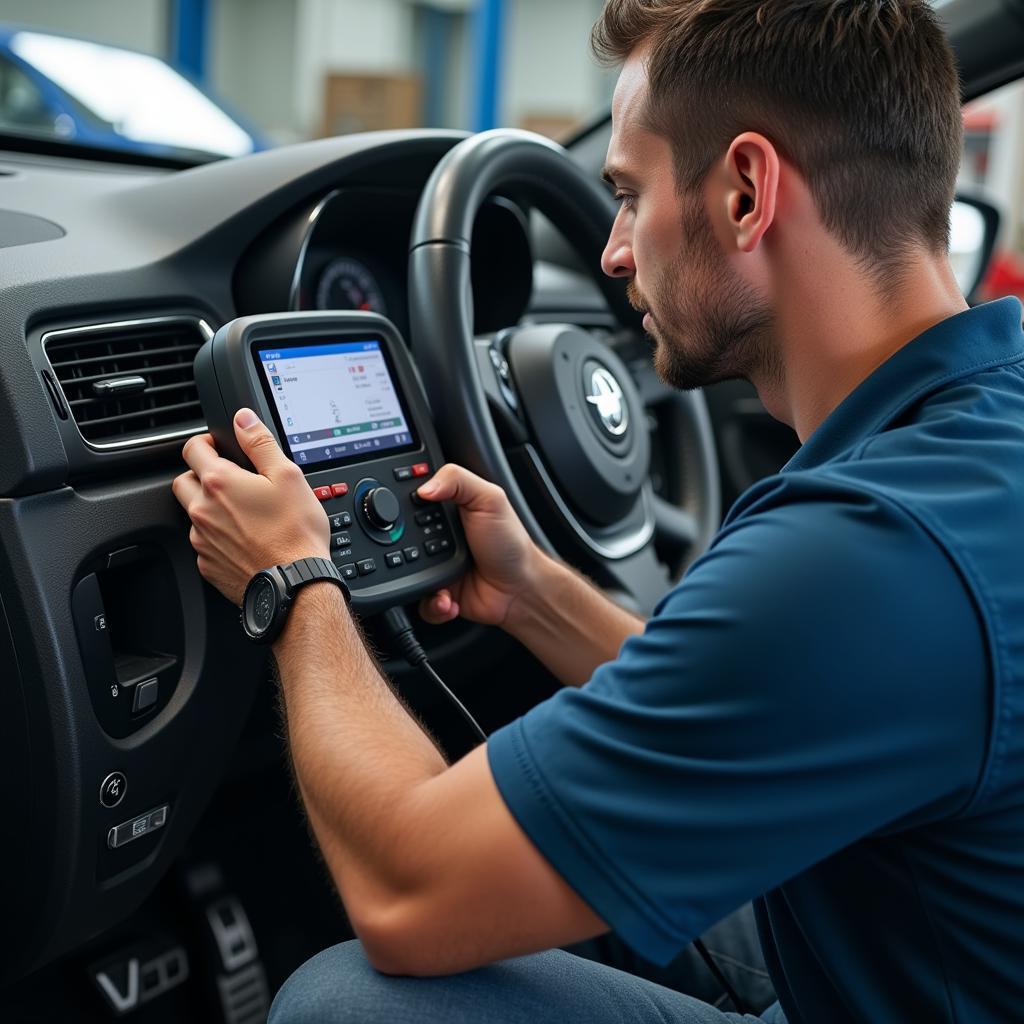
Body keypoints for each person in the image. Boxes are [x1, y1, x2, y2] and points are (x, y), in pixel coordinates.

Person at [173, 1, 1024, 1021]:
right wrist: (533, 592)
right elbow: (755, 696)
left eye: (627, 193)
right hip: (901, 951)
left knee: (345, 997)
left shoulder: (866, 556)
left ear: (747, 192)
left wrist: (295, 581)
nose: (614, 251)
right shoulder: (974, 437)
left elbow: (406, 892)